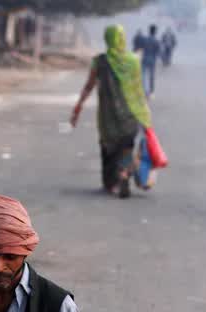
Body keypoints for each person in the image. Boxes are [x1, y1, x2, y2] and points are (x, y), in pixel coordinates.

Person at [71, 25, 153, 198]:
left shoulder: (100, 61)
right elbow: (138, 90)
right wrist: (144, 113)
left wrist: (78, 107)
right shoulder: (133, 61)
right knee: (126, 147)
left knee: (108, 148)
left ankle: (110, 184)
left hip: (107, 117)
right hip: (130, 114)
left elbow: (89, 86)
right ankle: (124, 173)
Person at [139, 25, 162, 97]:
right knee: (151, 76)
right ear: (155, 32)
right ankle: (151, 92)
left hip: (144, 59)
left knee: (143, 75)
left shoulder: (145, 39)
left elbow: (141, 48)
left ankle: (144, 90)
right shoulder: (156, 41)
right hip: (152, 60)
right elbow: (158, 52)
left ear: (149, 30)